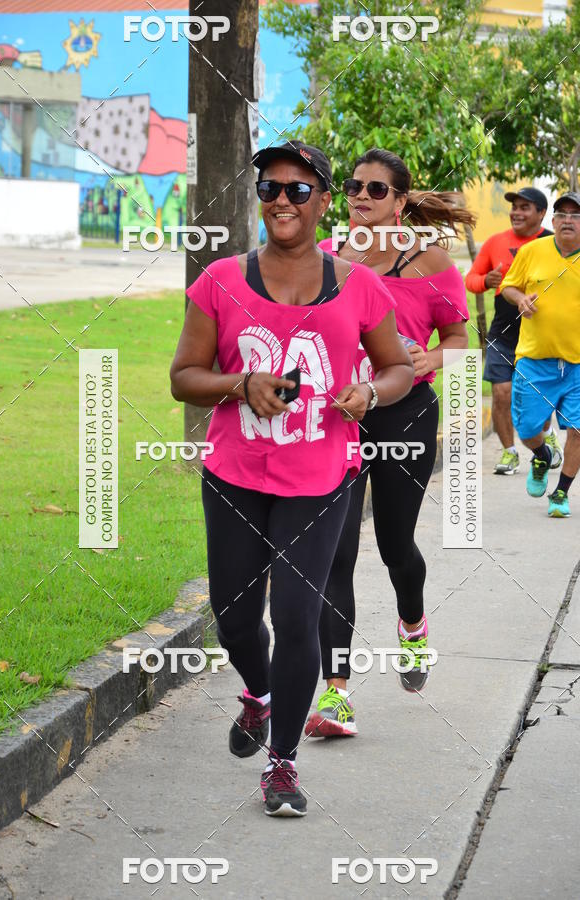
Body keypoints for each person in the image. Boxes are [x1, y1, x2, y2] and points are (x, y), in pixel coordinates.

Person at [169, 141, 413, 815]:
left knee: (297, 615)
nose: (281, 200)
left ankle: (281, 764)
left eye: (298, 190)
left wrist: (369, 391)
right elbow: (183, 378)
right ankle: (260, 693)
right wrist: (239, 383)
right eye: (270, 189)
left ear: (324, 200)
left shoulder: (359, 286)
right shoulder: (220, 280)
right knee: (236, 618)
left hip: (321, 477)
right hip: (235, 475)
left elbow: (396, 367)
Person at [305, 148, 471, 739]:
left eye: (377, 190)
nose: (361, 197)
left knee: (395, 545)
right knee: (335, 553)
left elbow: (457, 334)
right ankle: (337, 694)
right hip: (340, 417)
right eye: (354, 187)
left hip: (405, 415)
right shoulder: (324, 258)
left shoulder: (429, 263)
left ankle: (412, 621)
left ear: (401, 202)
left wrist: (435, 355)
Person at [465, 187, 562, 475]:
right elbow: (470, 279)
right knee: (501, 392)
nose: (516, 212)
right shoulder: (495, 242)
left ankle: (545, 436)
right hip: (503, 333)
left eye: (525, 207)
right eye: (515, 207)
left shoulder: (553, 243)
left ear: (541, 214)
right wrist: (486, 280)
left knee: (538, 395)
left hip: (541, 335)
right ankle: (509, 452)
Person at [500, 191, 580, 518]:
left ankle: (560, 492)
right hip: (535, 361)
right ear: (552, 220)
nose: (567, 221)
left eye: (575, 215)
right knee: (528, 429)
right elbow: (508, 286)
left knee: (577, 431)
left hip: (577, 365)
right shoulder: (532, 251)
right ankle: (541, 454)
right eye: (561, 214)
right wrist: (519, 299)